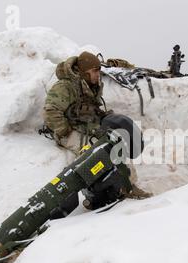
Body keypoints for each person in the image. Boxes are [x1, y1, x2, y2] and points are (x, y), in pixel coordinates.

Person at [43, 51, 152, 199]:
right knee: (95, 151)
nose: (98, 74)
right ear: (84, 72)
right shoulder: (65, 86)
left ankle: (128, 185)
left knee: (116, 144)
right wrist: (65, 131)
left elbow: (90, 107)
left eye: (99, 71)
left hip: (87, 127)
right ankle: (98, 193)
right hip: (68, 131)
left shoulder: (91, 85)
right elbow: (50, 111)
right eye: (94, 71)